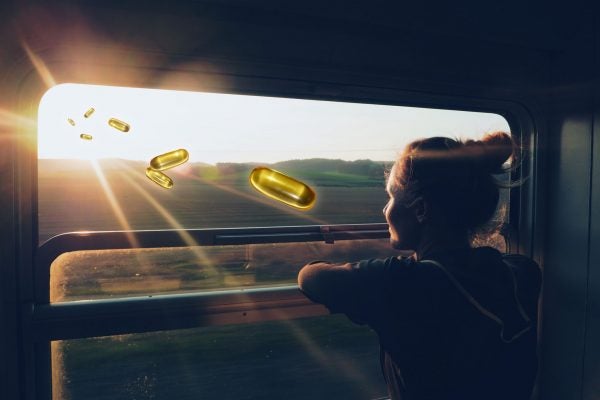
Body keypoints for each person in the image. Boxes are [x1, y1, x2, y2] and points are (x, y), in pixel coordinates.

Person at [297, 132, 542, 400]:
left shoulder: (401, 283)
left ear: (421, 210)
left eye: (391, 197)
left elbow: (311, 277)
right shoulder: (522, 272)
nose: (385, 210)